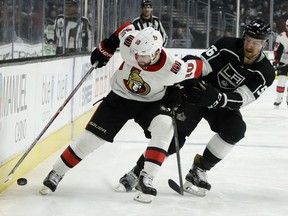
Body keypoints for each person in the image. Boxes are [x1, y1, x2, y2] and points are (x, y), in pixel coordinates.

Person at [39, 23, 203, 203]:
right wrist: (107, 47)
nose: (138, 58)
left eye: (144, 56)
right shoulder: (130, 43)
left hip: (151, 103)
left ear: (156, 53)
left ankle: (146, 178)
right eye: (136, 54)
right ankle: (57, 172)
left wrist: (186, 85)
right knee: (90, 139)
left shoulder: (174, 68)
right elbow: (126, 27)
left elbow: (198, 66)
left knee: (165, 127)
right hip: (119, 97)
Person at [115, 19, 275, 196]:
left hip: (222, 103)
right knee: (175, 137)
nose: (250, 46)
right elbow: (203, 65)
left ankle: (198, 169)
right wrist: (183, 83)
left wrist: (218, 99)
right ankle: (136, 172)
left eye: (256, 42)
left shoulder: (265, 72)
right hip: (199, 93)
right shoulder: (227, 45)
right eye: (248, 40)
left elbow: (243, 98)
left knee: (236, 129)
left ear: (264, 43)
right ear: (244, 37)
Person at [272, 19, 288, 108]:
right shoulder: (281, 36)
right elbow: (277, 50)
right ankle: (279, 98)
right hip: (283, 60)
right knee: (281, 81)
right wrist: (276, 61)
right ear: (286, 26)